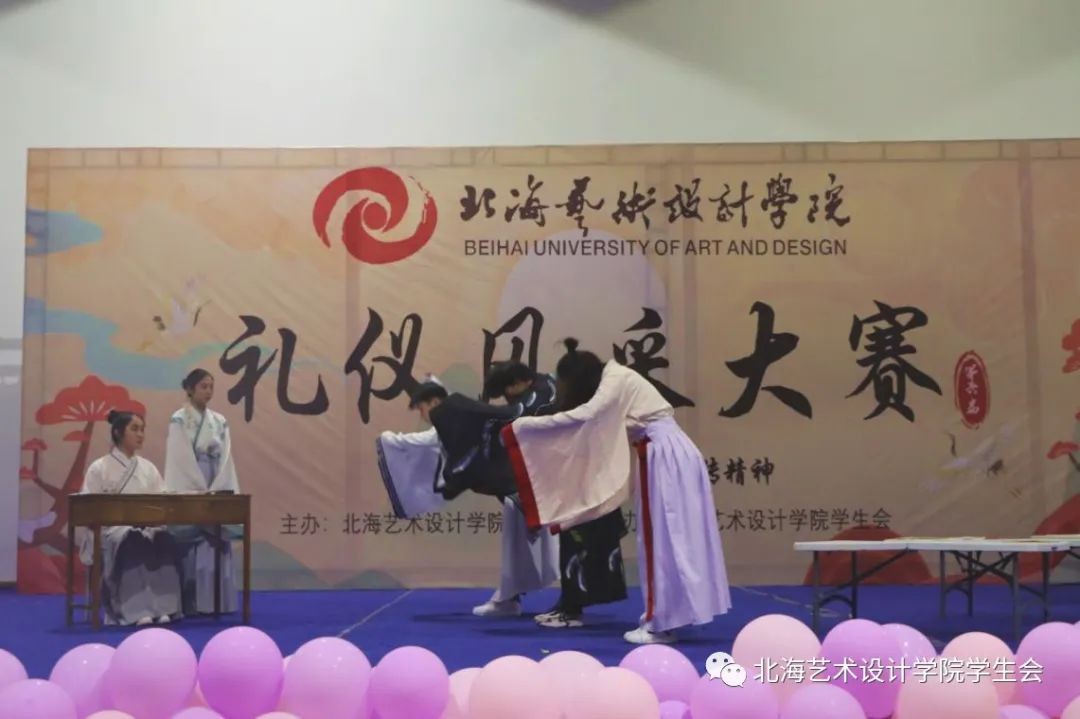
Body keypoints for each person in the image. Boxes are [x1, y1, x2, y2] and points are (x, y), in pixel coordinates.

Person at [501, 339, 731, 644]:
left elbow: (586, 415)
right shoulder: (618, 378)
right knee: (671, 541)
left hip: (661, 455)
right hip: (667, 454)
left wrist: (524, 428)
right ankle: (670, 617)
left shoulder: (615, 379)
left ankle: (659, 624)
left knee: (659, 542)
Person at [378, 374, 558, 618]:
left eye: (421, 408)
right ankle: (508, 599)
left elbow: (426, 443)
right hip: (515, 488)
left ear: (433, 403)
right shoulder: (458, 421)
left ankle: (529, 601)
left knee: (539, 546)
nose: (422, 415)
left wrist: (389, 440)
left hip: (521, 486)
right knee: (520, 548)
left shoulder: (458, 421)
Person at [484, 361, 627, 628]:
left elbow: (524, 423)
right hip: (580, 478)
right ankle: (568, 604)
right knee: (575, 543)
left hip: (583, 480)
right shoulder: (558, 392)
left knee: (580, 544)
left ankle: (571, 609)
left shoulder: (551, 401)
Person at [78, 410, 182, 626]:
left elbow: (161, 502)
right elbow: (87, 507)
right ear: (118, 432)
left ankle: (163, 607)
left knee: (163, 538)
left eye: (142, 429)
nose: (140, 434)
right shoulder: (99, 468)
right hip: (111, 530)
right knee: (131, 538)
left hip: (146, 526)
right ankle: (135, 610)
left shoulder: (148, 468)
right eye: (134, 429)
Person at [163, 368, 240, 616]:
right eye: (203, 386)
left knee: (215, 535)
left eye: (211, 387)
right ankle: (193, 602)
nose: (208, 391)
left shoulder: (219, 420)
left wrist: (219, 485)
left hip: (214, 476)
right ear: (190, 389)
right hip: (191, 478)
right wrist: (197, 487)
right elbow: (180, 458)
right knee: (193, 535)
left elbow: (226, 456)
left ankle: (218, 601)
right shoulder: (179, 419)